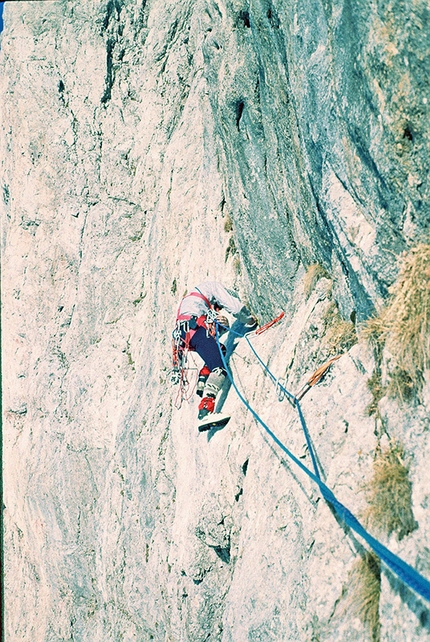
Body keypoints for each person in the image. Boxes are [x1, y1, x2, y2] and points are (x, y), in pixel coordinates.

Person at [172, 282, 257, 427]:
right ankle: (205, 410)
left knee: (220, 350)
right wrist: (250, 320)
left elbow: (213, 334)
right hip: (194, 331)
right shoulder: (211, 288)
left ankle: (204, 378)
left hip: (185, 335)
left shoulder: (191, 301)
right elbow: (235, 307)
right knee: (220, 368)